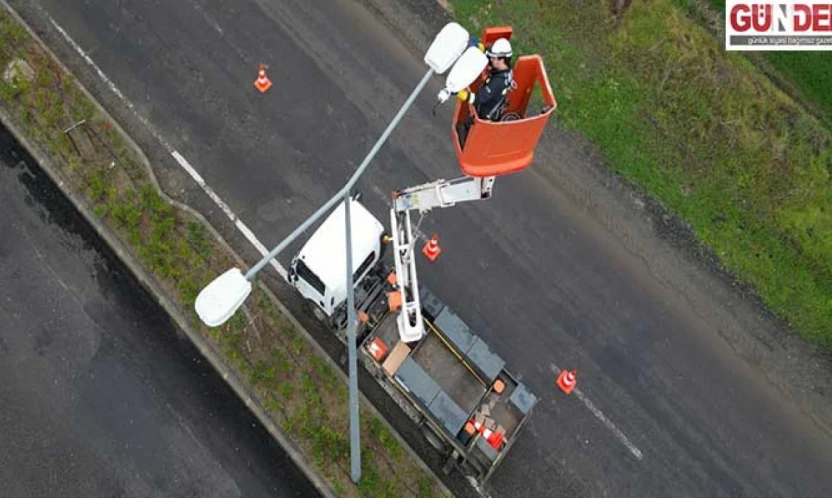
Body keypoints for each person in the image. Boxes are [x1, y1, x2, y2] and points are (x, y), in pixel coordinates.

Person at [455, 38, 514, 146]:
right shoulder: (504, 67)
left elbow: (478, 99)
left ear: (502, 60)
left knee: (471, 126)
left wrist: (460, 93)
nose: (491, 59)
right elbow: (489, 54)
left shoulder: (498, 82)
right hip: (492, 101)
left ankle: (468, 142)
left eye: (494, 58)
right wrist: (480, 47)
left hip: (486, 111)